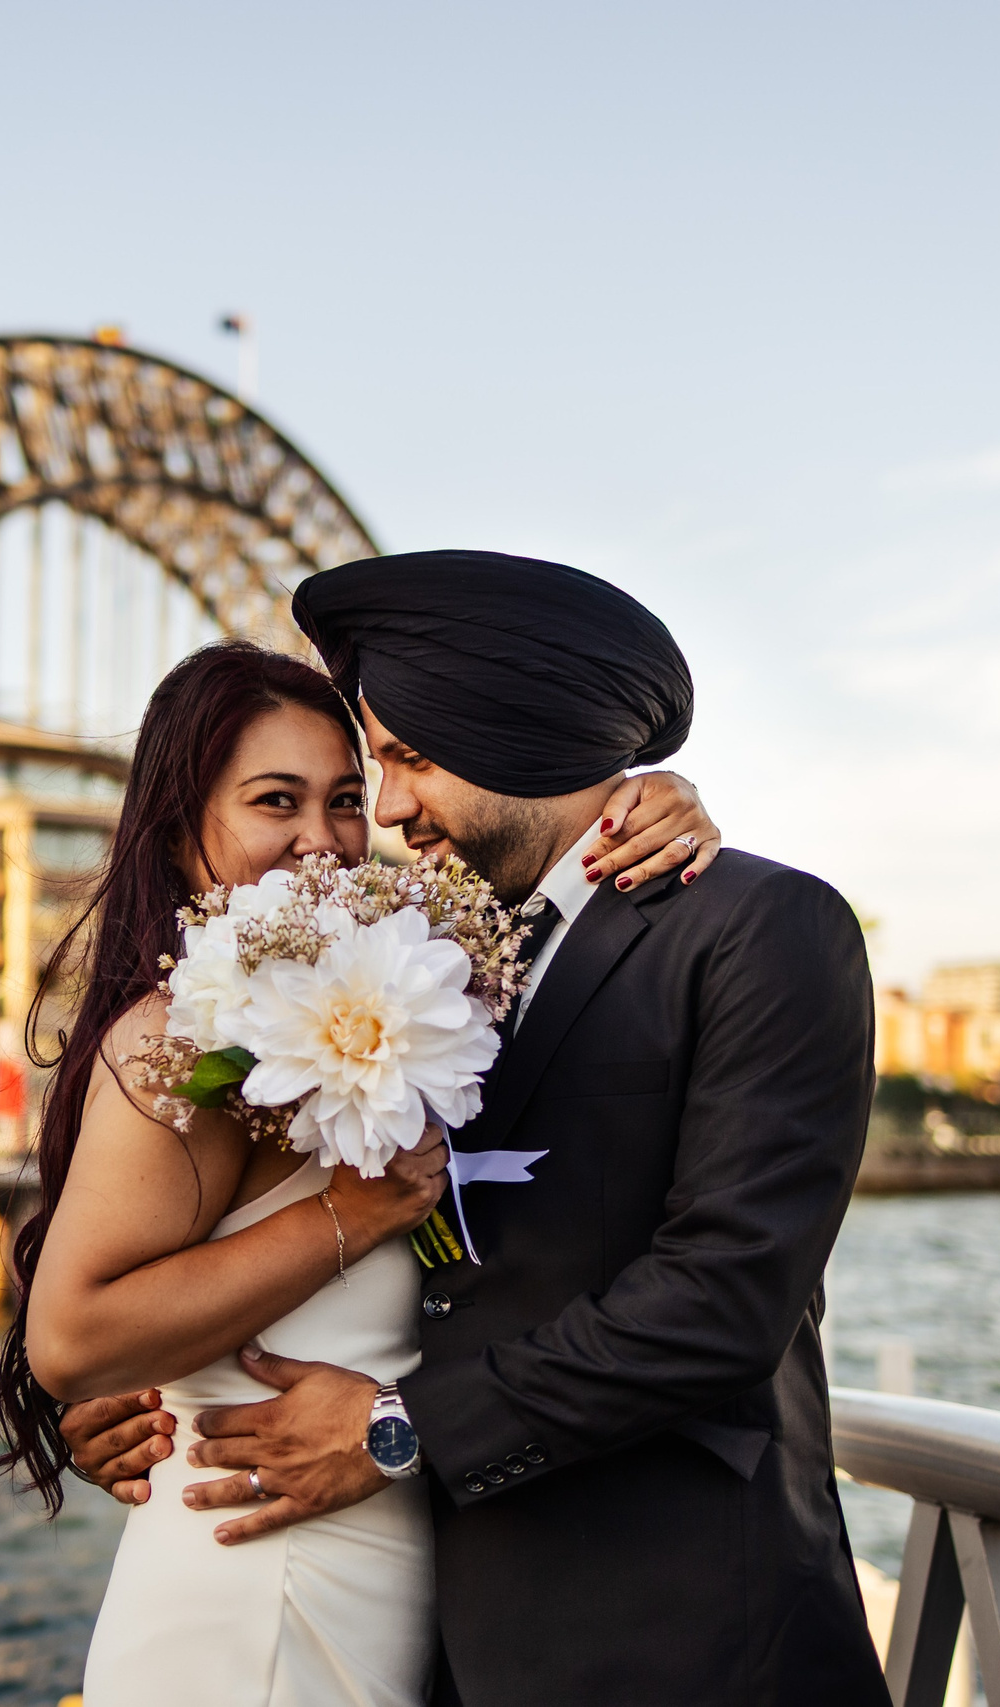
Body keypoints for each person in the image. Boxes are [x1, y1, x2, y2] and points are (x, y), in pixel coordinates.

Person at [61, 551, 892, 1706]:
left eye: (406, 761)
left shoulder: (759, 929)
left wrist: (397, 1431)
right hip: (445, 1634)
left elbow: (722, 1301)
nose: (385, 813)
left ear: (519, 735)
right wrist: (137, 1384)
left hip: (681, 1637)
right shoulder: (425, 956)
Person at [0, 636, 725, 1707]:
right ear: (179, 825)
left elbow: (548, 906)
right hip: (261, 1593)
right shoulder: (186, 1038)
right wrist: (350, 1213)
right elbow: (71, 1337)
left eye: (343, 799)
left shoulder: (371, 998)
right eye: (273, 801)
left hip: (378, 1568)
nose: (321, 841)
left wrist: (652, 803)